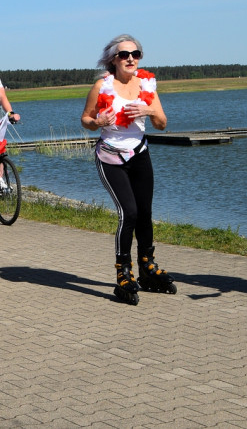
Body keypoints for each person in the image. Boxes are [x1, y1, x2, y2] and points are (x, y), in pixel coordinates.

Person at [80, 34, 172, 305]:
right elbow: (85, 119)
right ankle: (124, 271)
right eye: (123, 54)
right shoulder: (102, 85)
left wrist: (149, 111)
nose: (130, 58)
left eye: (135, 53)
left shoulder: (147, 85)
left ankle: (147, 266)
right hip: (110, 157)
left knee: (145, 213)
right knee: (128, 212)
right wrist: (98, 120)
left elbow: (162, 124)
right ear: (113, 60)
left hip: (140, 154)